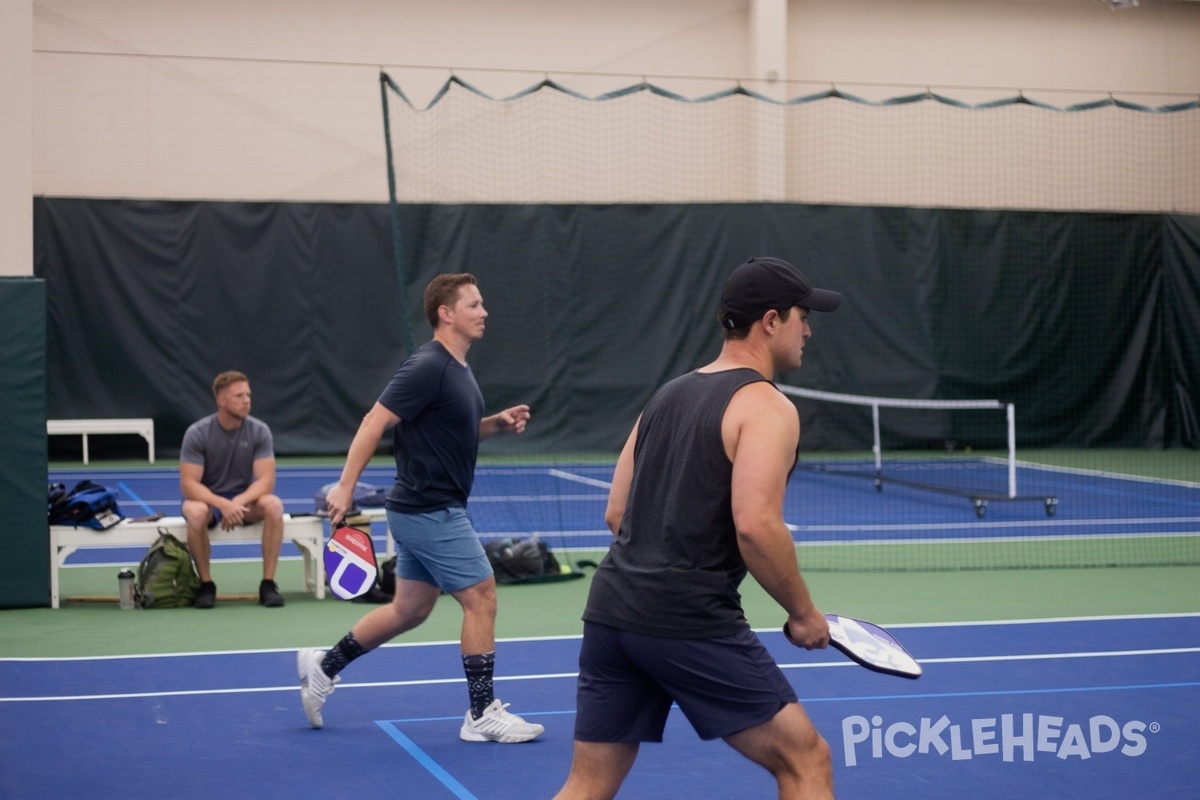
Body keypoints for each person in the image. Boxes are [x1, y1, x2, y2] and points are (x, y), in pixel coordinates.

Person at [553, 257, 842, 800]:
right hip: (686, 617)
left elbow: (617, 513)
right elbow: (756, 527)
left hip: (612, 612)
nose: (809, 329)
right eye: (804, 315)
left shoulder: (666, 395)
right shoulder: (767, 406)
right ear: (772, 320)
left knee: (587, 785)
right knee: (807, 761)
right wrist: (803, 614)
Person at [296, 273, 544, 744]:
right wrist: (345, 487)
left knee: (409, 609)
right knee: (482, 596)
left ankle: (324, 665)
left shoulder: (459, 369)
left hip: (419, 509)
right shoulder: (428, 365)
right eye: (474, 304)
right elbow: (374, 422)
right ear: (446, 313)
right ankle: (481, 714)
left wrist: (495, 422)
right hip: (431, 510)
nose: (484, 311)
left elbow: (454, 432)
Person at [180, 370, 287, 609]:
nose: (247, 400)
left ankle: (268, 584)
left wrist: (237, 501)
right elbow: (189, 485)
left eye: (248, 394)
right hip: (209, 502)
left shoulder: (259, 431)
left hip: (243, 500)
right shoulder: (198, 433)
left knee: (274, 505)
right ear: (221, 400)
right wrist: (222, 504)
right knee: (195, 512)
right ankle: (206, 585)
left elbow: (266, 481)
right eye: (239, 396)